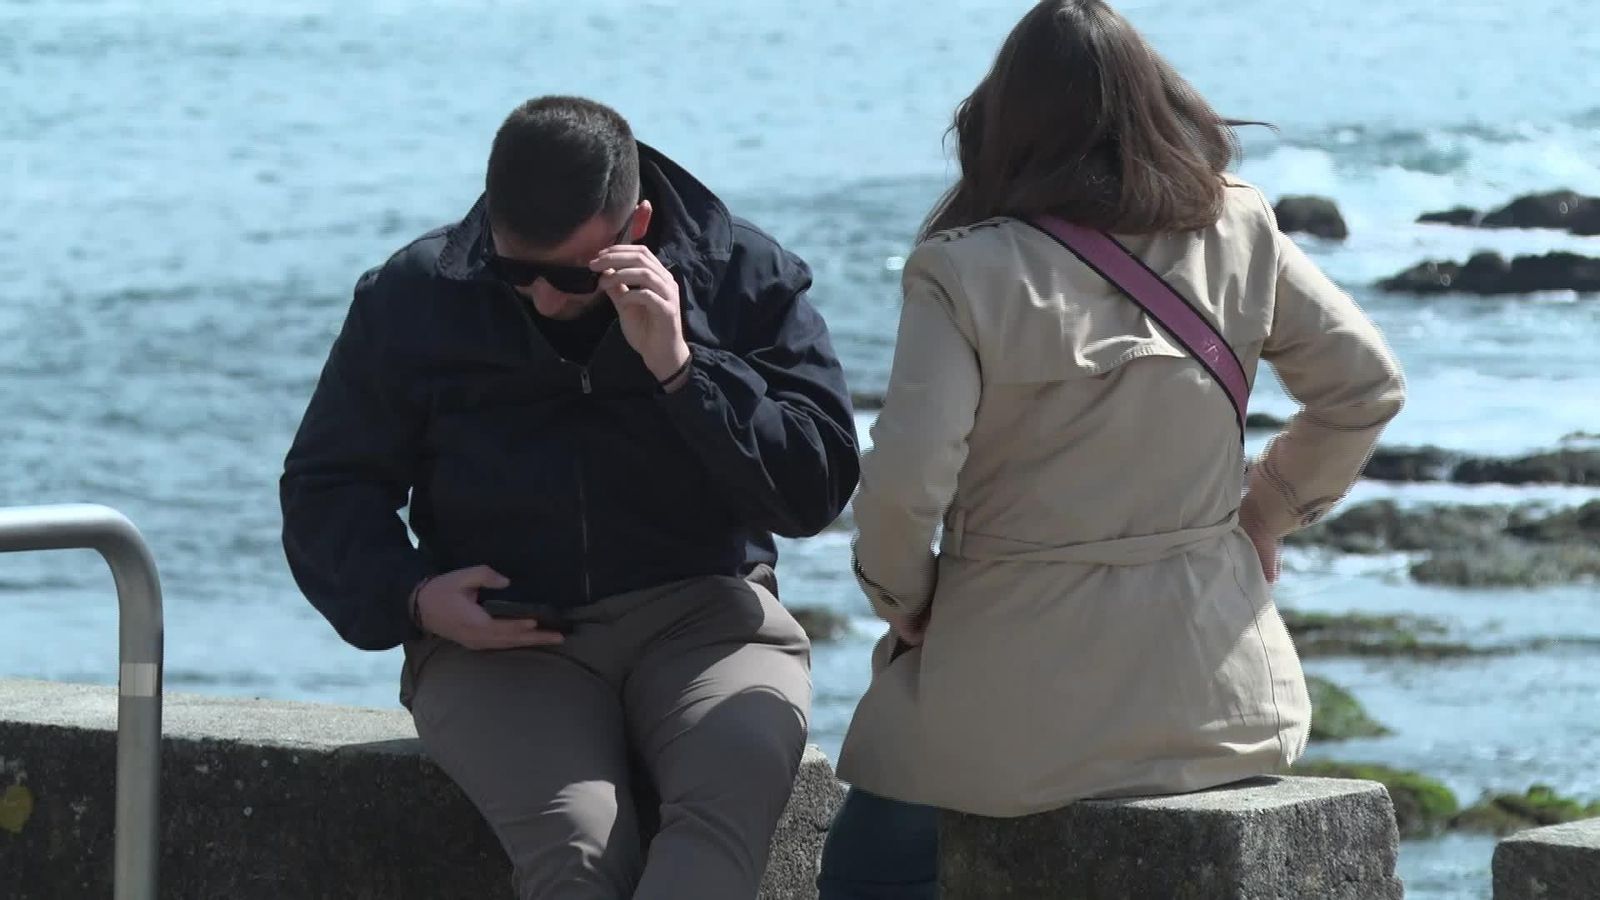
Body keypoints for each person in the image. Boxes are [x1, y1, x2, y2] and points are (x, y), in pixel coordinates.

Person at [815, 2, 1406, 896]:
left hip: (1010, 711)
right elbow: (1366, 387)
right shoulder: (1239, 227)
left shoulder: (963, 270)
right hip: (1217, 704)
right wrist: (1265, 512)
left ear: (1003, 122)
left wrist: (904, 595)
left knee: (869, 868)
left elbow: (906, 483)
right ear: (1157, 106)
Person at [280, 95, 860, 899]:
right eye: (518, 272)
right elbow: (326, 487)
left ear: (638, 226)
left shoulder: (737, 274)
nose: (545, 297)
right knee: (579, 853)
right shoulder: (416, 296)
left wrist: (684, 368)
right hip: (504, 638)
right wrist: (410, 596)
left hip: (706, 619)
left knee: (720, 822)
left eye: (572, 274)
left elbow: (815, 488)